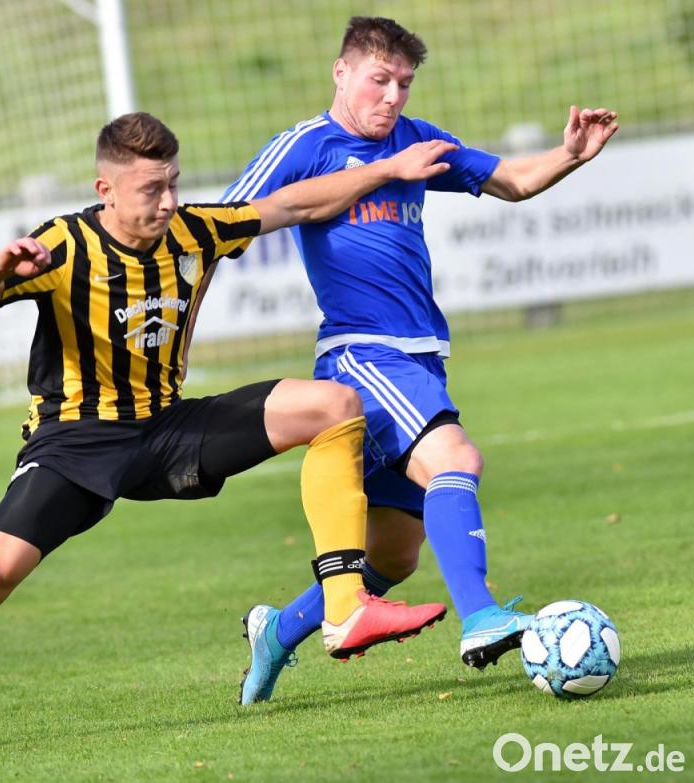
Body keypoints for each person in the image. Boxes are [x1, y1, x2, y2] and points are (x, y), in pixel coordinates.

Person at [0, 111, 463, 767]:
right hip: (74, 444)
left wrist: (387, 168)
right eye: (151, 189)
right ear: (105, 190)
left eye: (173, 184)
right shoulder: (64, 244)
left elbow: (293, 204)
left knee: (333, 404)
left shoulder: (193, 230)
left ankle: (345, 605)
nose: (167, 202)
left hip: (167, 429)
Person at [224, 16, 619, 704]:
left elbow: (511, 180)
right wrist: (380, 172)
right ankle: (482, 616)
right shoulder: (307, 145)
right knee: (455, 457)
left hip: (422, 357)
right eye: (379, 80)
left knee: (392, 556)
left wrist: (570, 155)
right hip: (360, 352)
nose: (392, 96)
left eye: (404, 83)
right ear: (341, 72)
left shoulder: (418, 138)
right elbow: (223, 221)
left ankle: (276, 631)